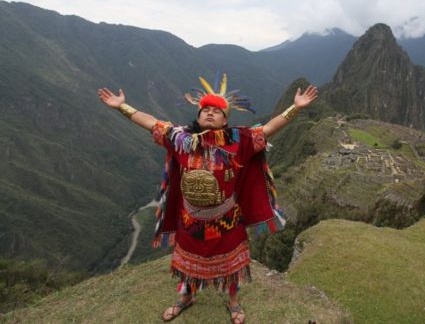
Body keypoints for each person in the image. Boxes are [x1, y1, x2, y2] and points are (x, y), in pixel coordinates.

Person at [97, 74, 318, 323]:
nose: (210, 113)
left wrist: (295, 108)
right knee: (189, 263)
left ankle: (233, 302)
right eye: (206, 110)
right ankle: (186, 296)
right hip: (191, 218)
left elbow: (269, 129)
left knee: (232, 265)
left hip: (227, 218)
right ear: (199, 116)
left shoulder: (240, 141)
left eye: (216, 111)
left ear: (226, 120)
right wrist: (122, 107)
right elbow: (151, 123)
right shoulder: (180, 139)